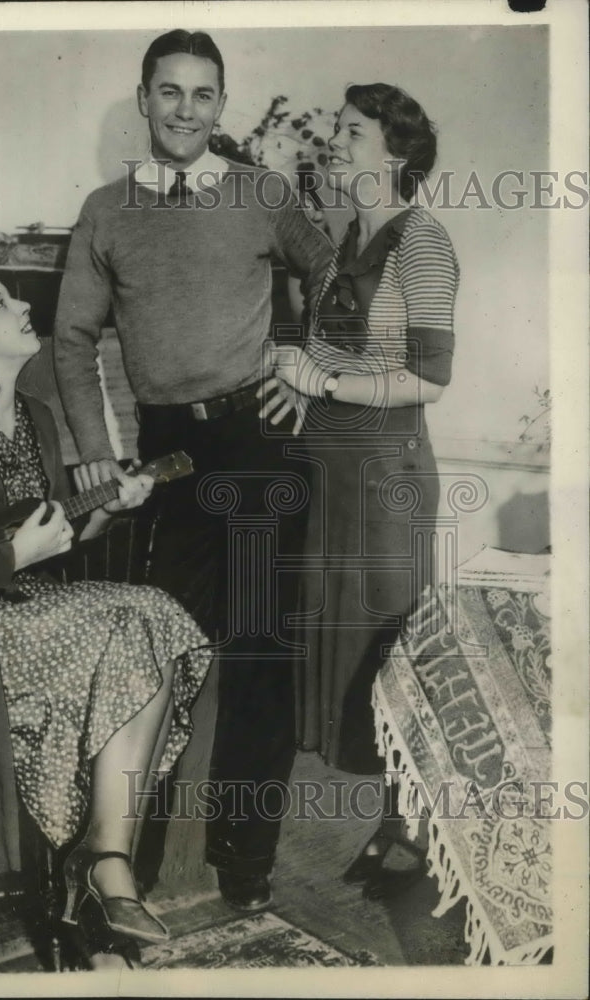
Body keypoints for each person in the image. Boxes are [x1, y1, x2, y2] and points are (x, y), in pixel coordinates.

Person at [53, 29, 332, 911]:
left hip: (256, 443)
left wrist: (304, 363)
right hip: (170, 453)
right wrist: (97, 449)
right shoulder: (105, 209)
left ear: (220, 104)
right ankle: (130, 865)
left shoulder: (260, 192)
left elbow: (333, 273)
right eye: (167, 92)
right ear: (144, 99)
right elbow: (69, 338)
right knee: (156, 650)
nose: (183, 110)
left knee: (257, 654)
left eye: (201, 94)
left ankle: (242, 869)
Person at [0, 266, 213, 965]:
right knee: (136, 616)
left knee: (155, 622)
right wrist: (10, 555)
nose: (25, 304)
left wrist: (108, 514)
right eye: (0, 302)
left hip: (29, 613)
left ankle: (103, 859)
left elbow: (53, 535)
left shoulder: (38, 417)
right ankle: (97, 871)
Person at [259, 83, 459, 897]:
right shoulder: (345, 242)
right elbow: (326, 351)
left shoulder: (422, 243)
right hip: (331, 473)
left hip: (387, 479)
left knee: (388, 655)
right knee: (341, 658)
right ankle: (391, 824)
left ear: (396, 154)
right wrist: (300, 385)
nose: (334, 144)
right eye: (337, 130)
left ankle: (408, 830)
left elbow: (431, 378)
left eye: (351, 133)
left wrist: (324, 384)